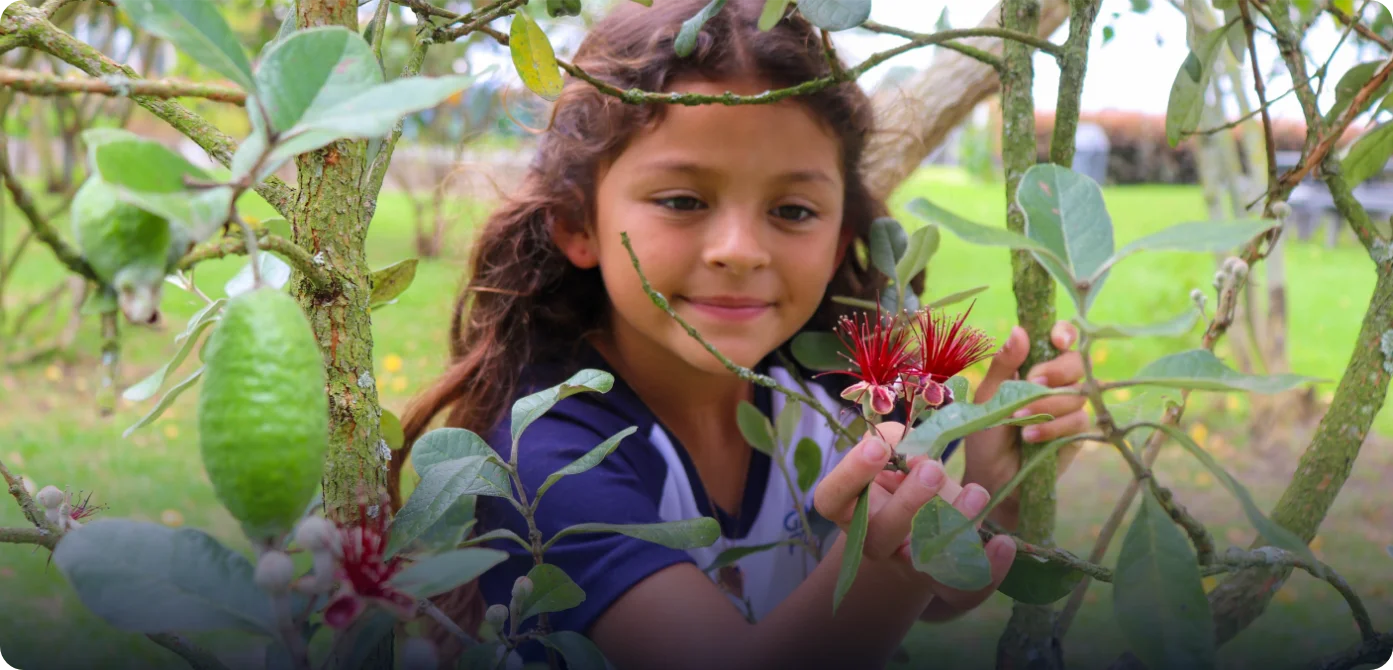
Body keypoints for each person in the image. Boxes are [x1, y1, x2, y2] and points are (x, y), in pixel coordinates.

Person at [397, 0, 1089, 666]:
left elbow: (927, 600)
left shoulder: (836, 401)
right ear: (578, 224)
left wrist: (988, 493)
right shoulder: (547, 462)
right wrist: (890, 569)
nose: (740, 249)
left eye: (791, 210)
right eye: (682, 201)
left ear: (839, 236)